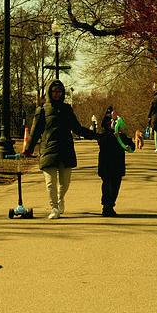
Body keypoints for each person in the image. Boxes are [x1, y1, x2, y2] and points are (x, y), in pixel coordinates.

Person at [24, 79, 97, 219]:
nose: (57, 94)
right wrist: (28, 149)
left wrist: (96, 136)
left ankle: (60, 199)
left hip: (66, 150)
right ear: (49, 93)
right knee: (50, 183)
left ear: (62, 93)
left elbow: (77, 129)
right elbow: (35, 132)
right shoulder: (42, 110)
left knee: (64, 183)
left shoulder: (67, 109)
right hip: (48, 150)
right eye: (54, 91)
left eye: (59, 91)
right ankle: (54, 208)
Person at [96, 112, 134, 217]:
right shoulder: (103, 136)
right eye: (109, 124)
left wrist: (129, 146)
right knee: (107, 187)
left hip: (118, 166)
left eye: (113, 123)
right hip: (106, 167)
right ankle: (106, 206)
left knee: (115, 187)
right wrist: (113, 136)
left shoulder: (122, 136)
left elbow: (131, 145)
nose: (111, 126)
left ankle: (111, 205)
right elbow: (102, 142)